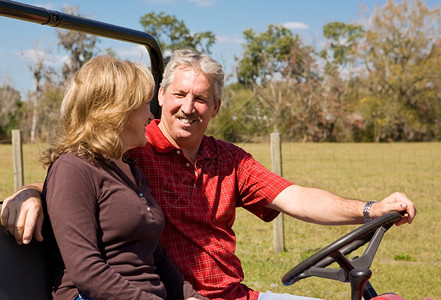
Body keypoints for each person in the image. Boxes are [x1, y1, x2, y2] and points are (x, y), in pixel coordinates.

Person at [2, 50, 416, 300]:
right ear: (159, 98)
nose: (187, 107)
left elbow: (294, 196)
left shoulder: (225, 159)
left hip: (230, 295)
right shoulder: (136, 149)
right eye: (178, 94)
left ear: (216, 108)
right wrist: (29, 193)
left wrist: (370, 208)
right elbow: (75, 177)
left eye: (201, 98)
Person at [28, 55, 206, 300]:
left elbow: (155, 254)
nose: (150, 115)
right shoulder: (73, 168)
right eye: (144, 104)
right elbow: (87, 273)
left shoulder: (129, 167)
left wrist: (190, 296)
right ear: (116, 112)